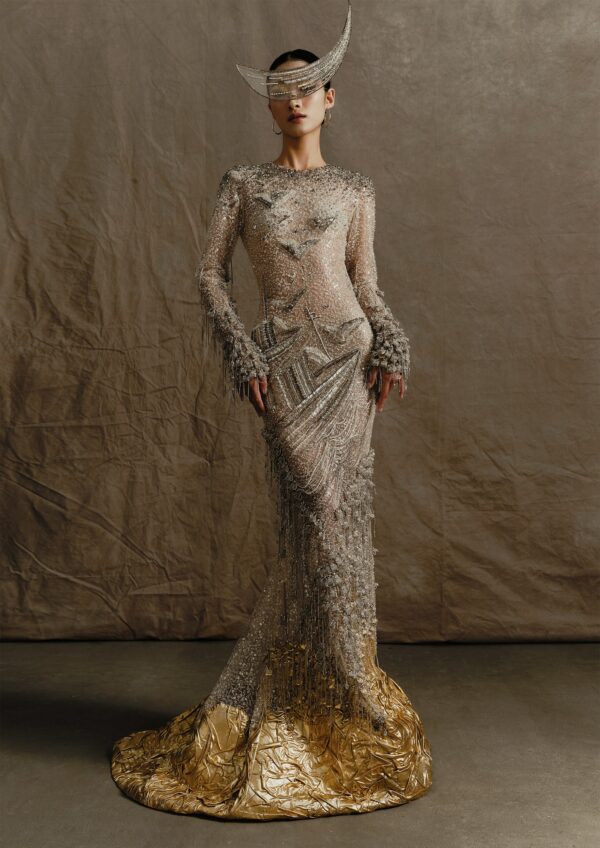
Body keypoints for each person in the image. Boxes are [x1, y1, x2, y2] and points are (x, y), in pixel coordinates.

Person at [111, 0, 433, 819]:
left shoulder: (355, 189)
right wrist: (242, 350)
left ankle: (341, 688)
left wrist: (392, 341)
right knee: (314, 515)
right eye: (282, 89)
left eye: (310, 86)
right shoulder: (244, 185)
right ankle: (312, 687)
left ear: (331, 97)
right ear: (269, 103)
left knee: (341, 522)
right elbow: (208, 274)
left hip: (350, 362)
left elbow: (367, 286)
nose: (295, 99)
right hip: (284, 365)